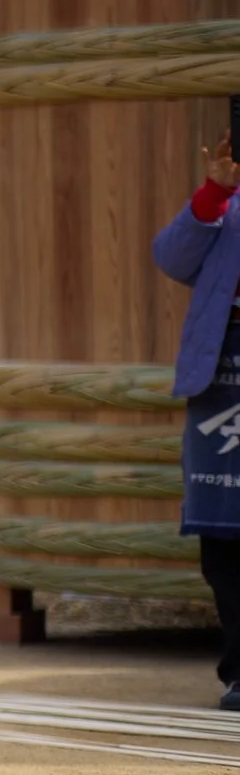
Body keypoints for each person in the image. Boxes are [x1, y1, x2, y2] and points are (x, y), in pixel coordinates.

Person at [153, 127, 240, 712]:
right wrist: (213, 192)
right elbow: (171, 257)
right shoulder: (225, 202)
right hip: (219, 379)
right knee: (221, 537)